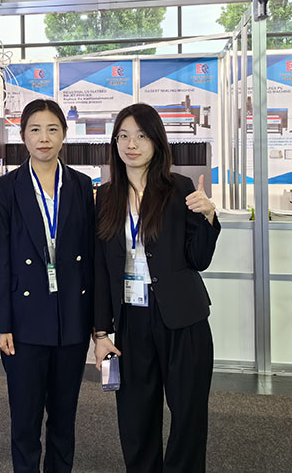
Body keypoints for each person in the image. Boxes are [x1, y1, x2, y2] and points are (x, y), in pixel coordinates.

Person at [93, 103, 219, 473]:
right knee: (135, 416)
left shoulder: (179, 189)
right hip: (131, 320)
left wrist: (209, 217)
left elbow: (198, 259)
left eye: (141, 136)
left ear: (156, 142)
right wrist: (101, 332)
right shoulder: (105, 197)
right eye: (123, 136)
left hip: (182, 317)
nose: (131, 144)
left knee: (188, 414)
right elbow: (100, 270)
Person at [0, 98, 95, 473]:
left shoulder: (81, 186)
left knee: (64, 418)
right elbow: (0, 258)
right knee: (25, 418)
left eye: (52, 129)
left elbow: (91, 258)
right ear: (23, 136)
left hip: (71, 319)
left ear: (64, 134)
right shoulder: (7, 188)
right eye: (35, 129)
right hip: (23, 322)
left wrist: (98, 325)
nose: (44, 138)